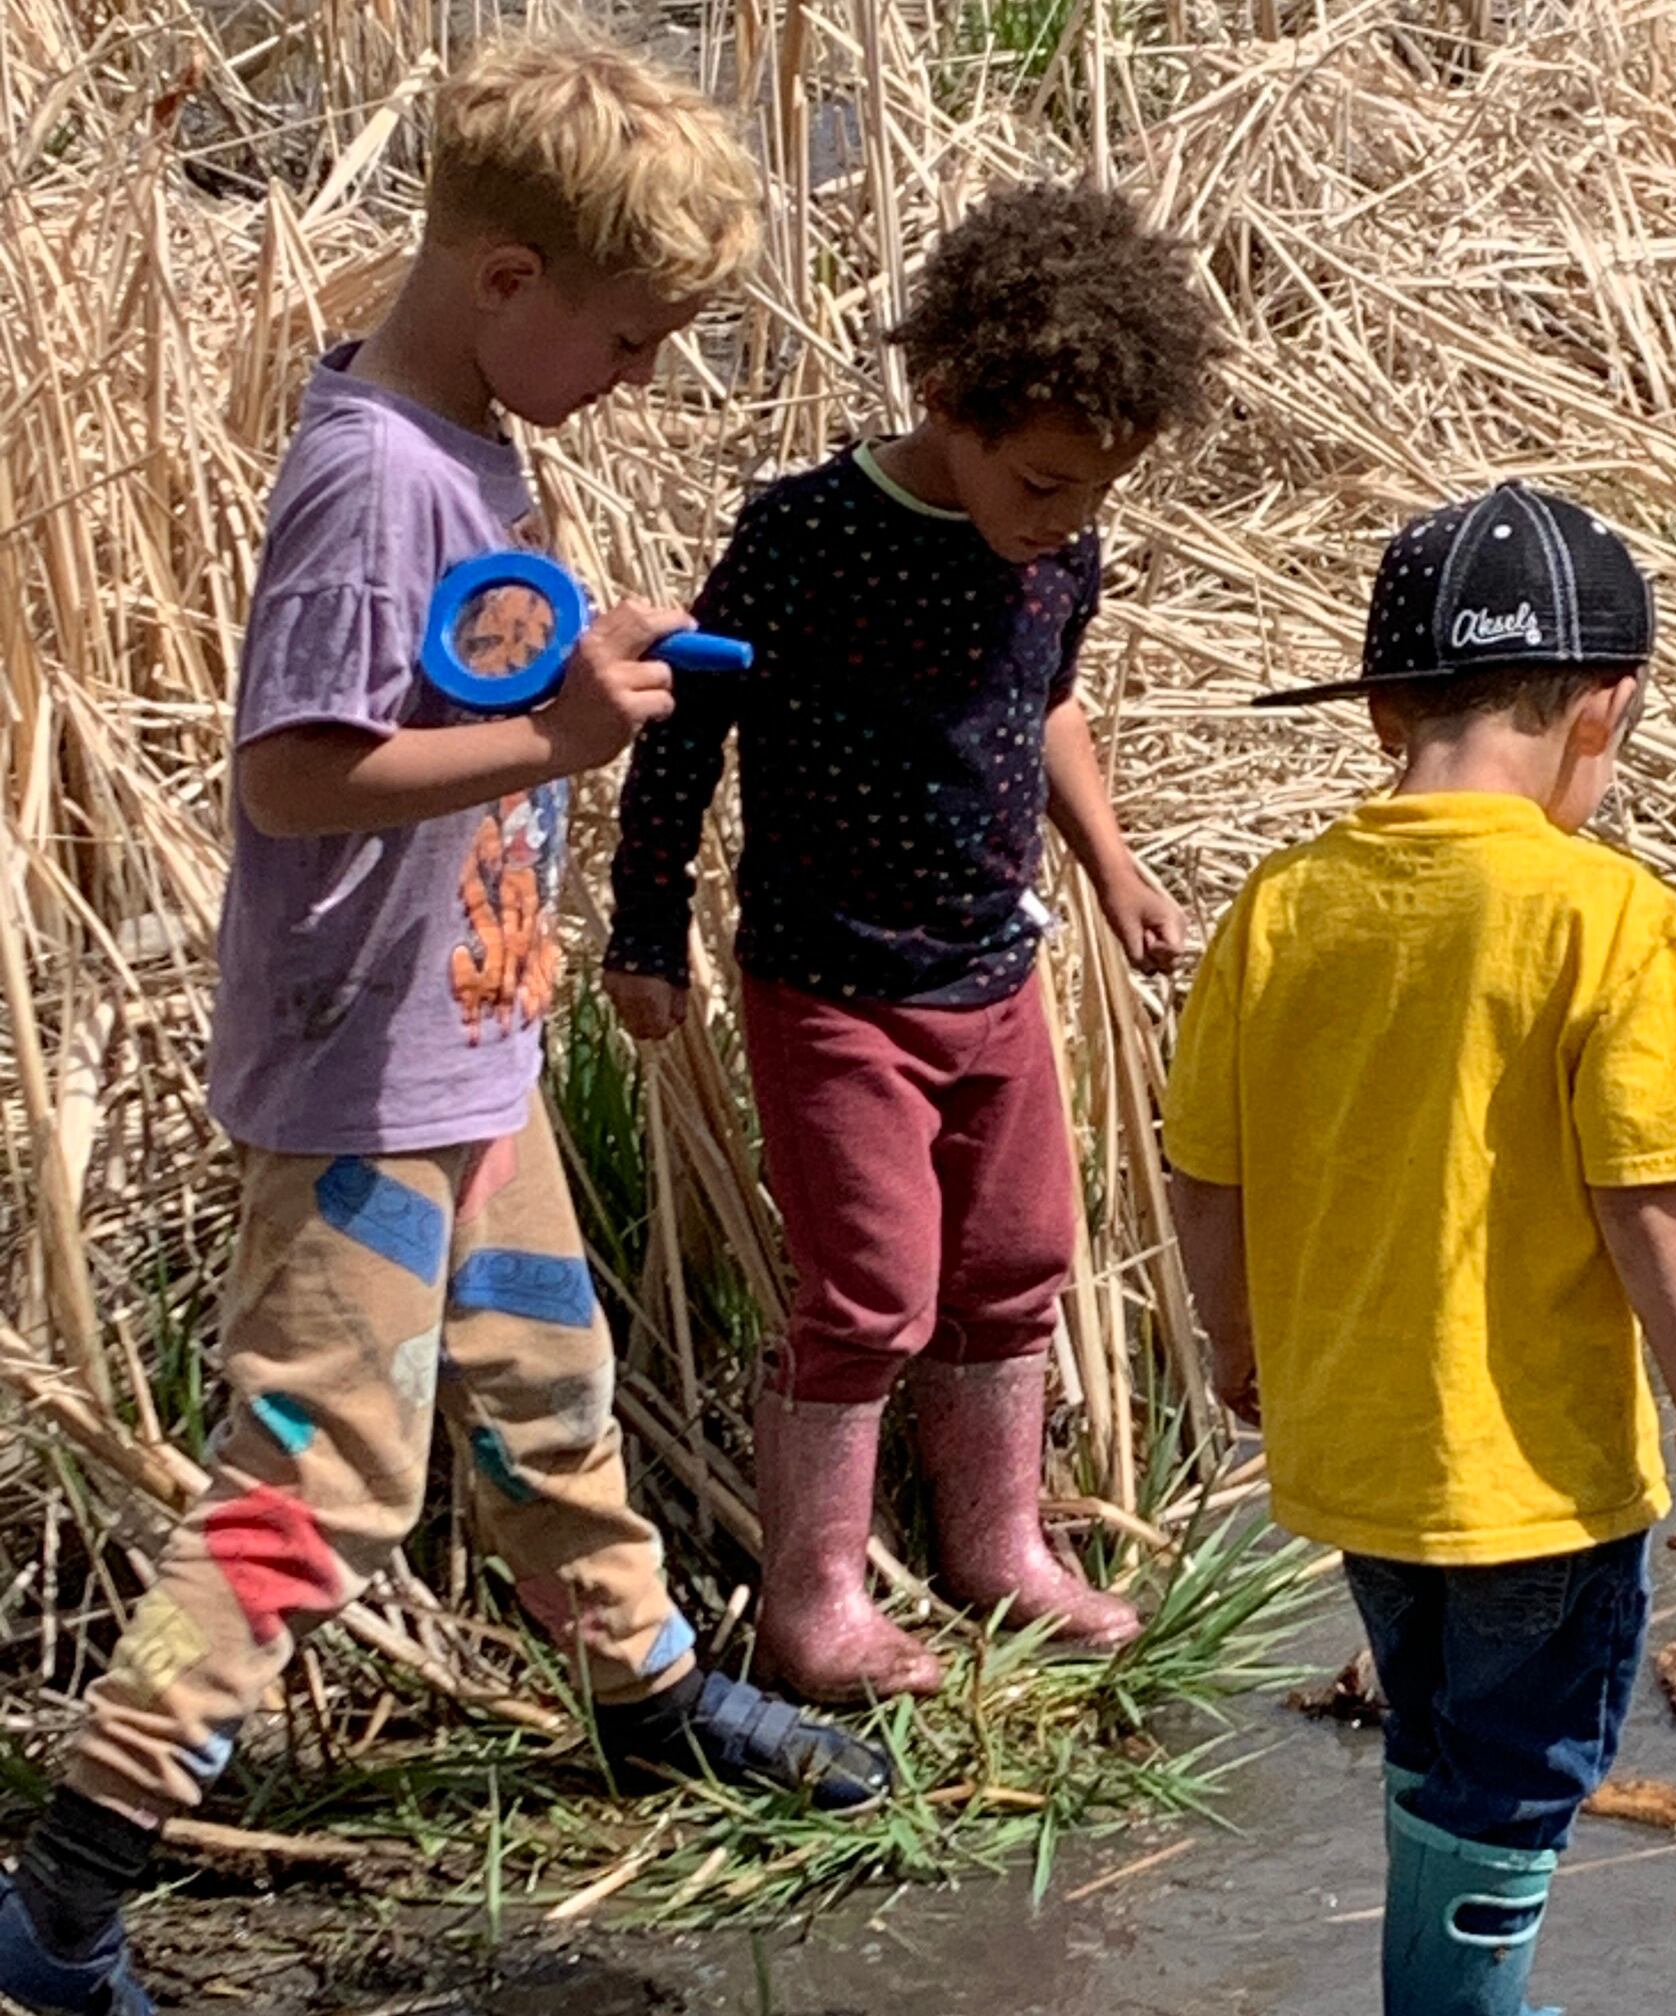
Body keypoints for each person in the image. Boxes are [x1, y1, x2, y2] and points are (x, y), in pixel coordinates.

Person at [0, 37, 893, 2016]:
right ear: (504, 280)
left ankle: (648, 1690)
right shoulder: (373, 475)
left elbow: (444, 686)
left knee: (549, 1394)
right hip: (359, 1092)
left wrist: (589, 657)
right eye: (633, 337)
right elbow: (302, 776)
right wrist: (563, 737)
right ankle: (71, 1891)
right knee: (310, 1484)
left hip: (463, 1054)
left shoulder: (470, 438)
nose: (643, 378)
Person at [601, 181, 1223, 1701]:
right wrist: (647, 925)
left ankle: (994, 1547)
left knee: (1017, 1262)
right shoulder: (809, 537)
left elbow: (1049, 698)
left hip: (991, 970)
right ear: (945, 395)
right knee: (872, 1285)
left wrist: (1114, 863)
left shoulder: (1056, 555)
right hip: (834, 984)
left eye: (1093, 495)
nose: (1062, 519)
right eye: (1041, 481)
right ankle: (811, 1600)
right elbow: (690, 720)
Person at [1161, 483, 1676, 2015]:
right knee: (1522, 1766)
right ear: (1603, 710)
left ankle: (1451, 1991)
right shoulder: (1614, 919)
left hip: (1357, 1442)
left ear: (1380, 712)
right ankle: (1453, 2008)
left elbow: (1207, 1177)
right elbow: (1650, 1201)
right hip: (1536, 1470)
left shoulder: (1279, 909)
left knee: (1435, 1737)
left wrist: (1238, 1347)